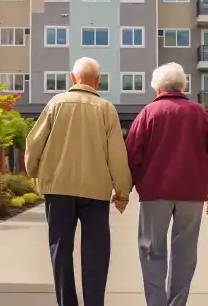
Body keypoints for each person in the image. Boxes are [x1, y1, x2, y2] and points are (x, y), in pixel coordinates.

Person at [25, 57, 132, 306]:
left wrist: (34, 171)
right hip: (96, 191)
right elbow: (117, 153)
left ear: (73, 79)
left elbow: (34, 142)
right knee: (96, 253)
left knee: (60, 250)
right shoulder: (106, 108)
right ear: (98, 81)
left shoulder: (55, 103)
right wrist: (123, 191)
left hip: (59, 188)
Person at [125, 62, 208, 306]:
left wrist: (126, 189)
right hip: (191, 193)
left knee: (151, 250)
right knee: (185, 252)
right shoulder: (200, 113)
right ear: (182, 86)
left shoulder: (148, 113)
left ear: (158, 87)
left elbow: (131, 155)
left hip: (154, 194)